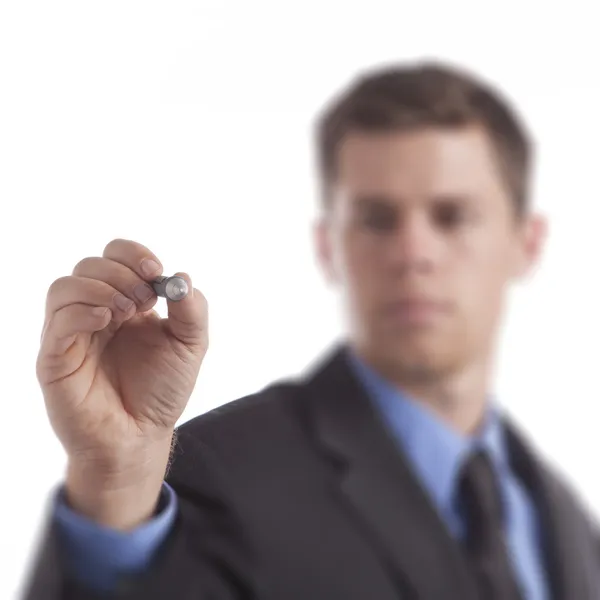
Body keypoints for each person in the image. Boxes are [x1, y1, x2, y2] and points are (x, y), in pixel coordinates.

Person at [22, 60, 600, 600]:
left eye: (452, 217)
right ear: (330, 246)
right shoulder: (212, 478)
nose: (413, 252)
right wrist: (115, 482)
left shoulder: (565, 523)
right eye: (376, 219)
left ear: (527, 243)